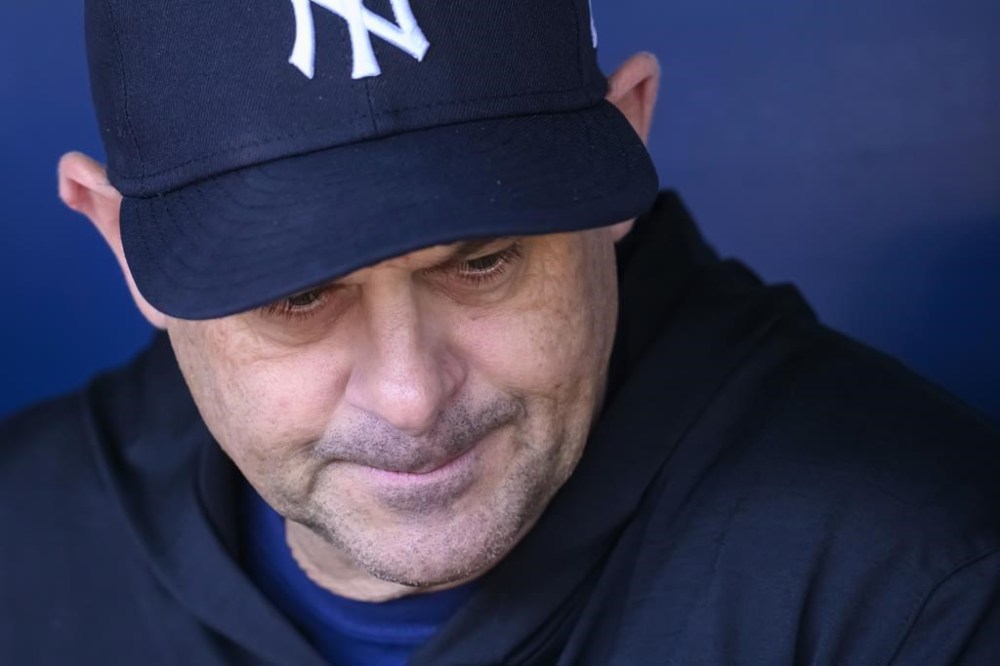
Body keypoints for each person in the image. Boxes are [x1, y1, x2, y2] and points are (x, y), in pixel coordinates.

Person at [2, 0, 999, 664]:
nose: (410, 393)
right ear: (119, 239)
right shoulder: (21, 542)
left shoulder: (918, 583)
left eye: (483, 263)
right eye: (296, 296)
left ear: (627, 144)